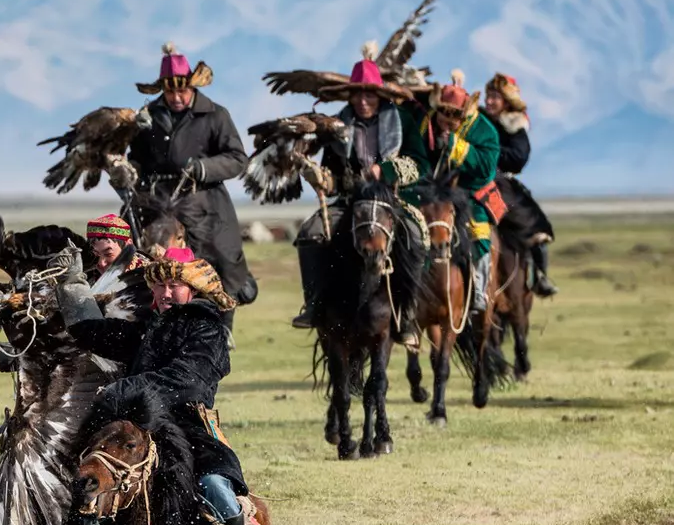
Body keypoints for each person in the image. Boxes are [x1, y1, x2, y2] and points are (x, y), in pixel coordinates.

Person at [59, 247, 264, 525]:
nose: (166, 293)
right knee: (86, 479)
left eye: (175, 285)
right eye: (160, 285)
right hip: (140, 429)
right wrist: (71, 286)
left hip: (188, 428)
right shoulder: (149, 328)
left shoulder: (208, 330)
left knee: (212, 485)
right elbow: (91, 332)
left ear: (193, 289)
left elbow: (186, 380)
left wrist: (123, 389)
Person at [288, 44, 422, 341]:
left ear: (380, 95)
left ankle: (407, 314)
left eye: (369, 94)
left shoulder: (403, 122)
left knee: (414, 233)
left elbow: (420, 164)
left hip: (391, 199)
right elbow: (334, 175)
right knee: (310, 232)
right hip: (351, 201)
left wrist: (386, 171)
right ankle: (315, 304)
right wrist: (322, 179)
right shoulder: (339, 125)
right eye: (357, 94)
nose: (363, 101)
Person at [111, 45, 257, 306]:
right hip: (153, 202)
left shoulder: (216, 115)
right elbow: (138, 159)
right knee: (124, 254)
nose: (177, 96)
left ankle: (227, 307)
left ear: (193, 86)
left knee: (223, 260)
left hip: (203, 201)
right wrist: (126, 170)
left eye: (182, 90)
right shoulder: (147, 118)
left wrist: (204, 168)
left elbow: (237, 159)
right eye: (170, 91)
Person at [397, 71, 502, 312]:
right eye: (443, 114)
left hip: (470, 191)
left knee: (479, 234)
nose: (447, 120)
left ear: (464, 115)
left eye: (455, 116)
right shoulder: (425, 120)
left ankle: (478, 289)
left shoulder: (484, 130)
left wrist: (456, 146)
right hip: (427, 188)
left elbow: (486, 167)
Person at [484, 73, 558, 297]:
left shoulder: (514, 124)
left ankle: (539, 276)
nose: (489, 101)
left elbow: (519, 157)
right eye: (488, 96)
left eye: (495, 97)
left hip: (502, 184)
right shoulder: (478, 119)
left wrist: (489, 153)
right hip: (475, 179)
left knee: (535, 226)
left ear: (506, 100)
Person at [84, 212, 150, 320]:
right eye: (96, 254)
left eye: (108, 254)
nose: (101, 263)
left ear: (128, 246)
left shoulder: (151, 281)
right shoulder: (88, 278)